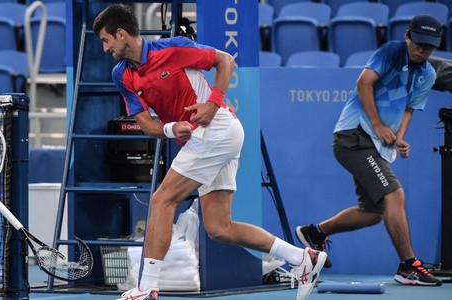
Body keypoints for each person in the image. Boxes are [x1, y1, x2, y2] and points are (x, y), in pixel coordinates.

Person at [93, 4, 326, 300]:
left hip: (217, 129)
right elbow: (145, 123)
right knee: (219, 227)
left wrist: (213, 103)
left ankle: (147, 287)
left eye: (106, 40)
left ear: (122, 33)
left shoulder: (174, 49)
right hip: (205, 137)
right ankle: (301, 258)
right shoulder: (121, 74)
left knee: (162, 200)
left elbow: (225, 60)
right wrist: (169, 128)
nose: (104, 48)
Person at [295, 14, 443, 286]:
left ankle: (316, 233)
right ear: (408, 37)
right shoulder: (391, 52)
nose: (422, 50)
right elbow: (363, 83)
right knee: (394, 194)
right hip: (353, 136)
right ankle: (408, 266)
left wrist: (398, 138)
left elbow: (409, 109)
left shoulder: (428, 74)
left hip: (374, 145)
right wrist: (377, 125)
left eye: (429, 46)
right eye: (419, 42)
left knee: (374, 212)